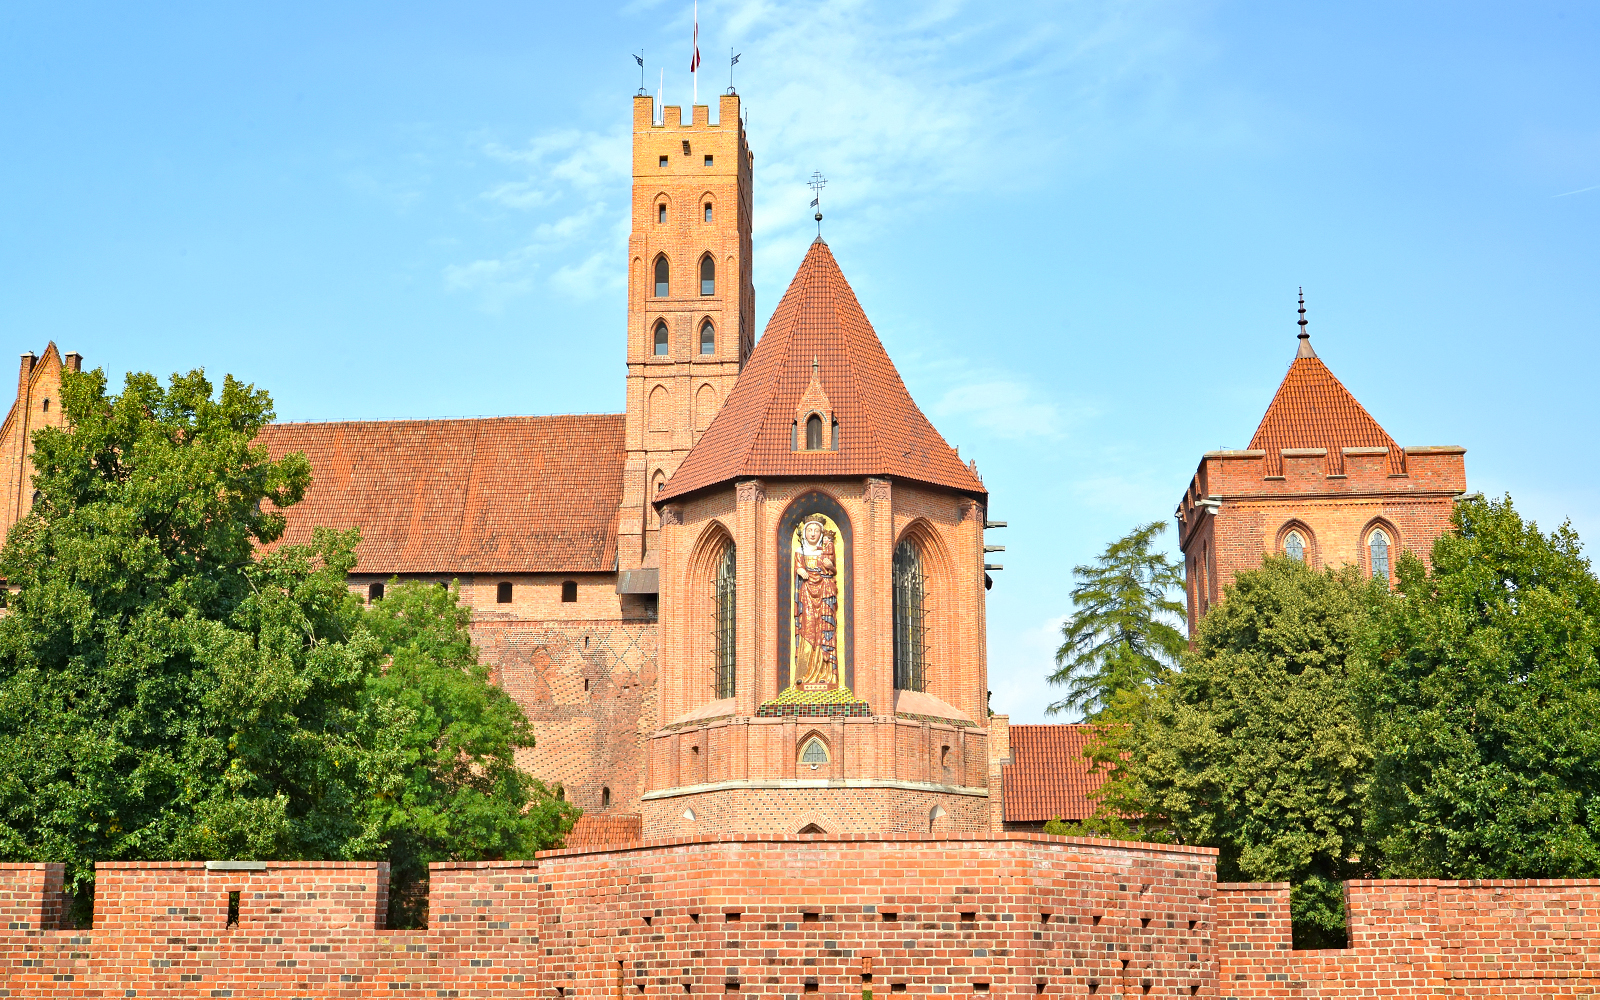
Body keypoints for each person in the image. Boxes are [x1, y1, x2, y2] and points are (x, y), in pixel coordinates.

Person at [794, 516, 839, 686]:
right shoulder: (800, 550)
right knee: (808, 627)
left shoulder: (825, 551)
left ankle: (826, 675)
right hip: (807, 592)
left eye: (816, 530)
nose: (813, 533)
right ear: (805, 533)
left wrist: (830, 566)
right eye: (809, 530)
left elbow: (832, 571)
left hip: (824, 591)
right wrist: (799, 570)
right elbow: (798, 566)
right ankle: (804, 673)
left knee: (824, 629)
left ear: (820, 533)